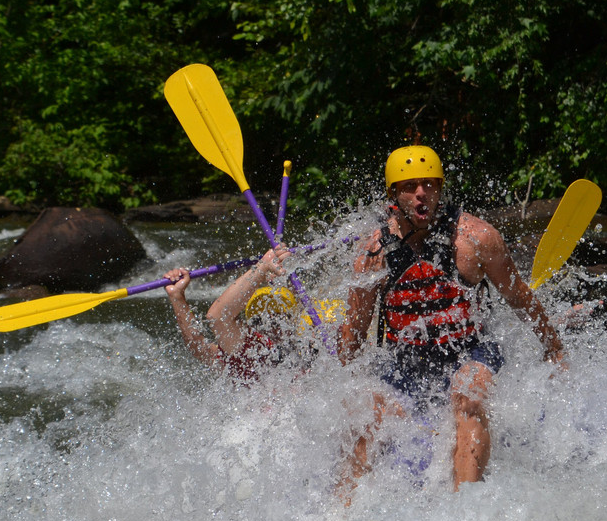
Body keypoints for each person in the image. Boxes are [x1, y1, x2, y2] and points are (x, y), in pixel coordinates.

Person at [338, 145, 567, 492]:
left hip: (470, 351)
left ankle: (466, 515)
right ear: (393, 195)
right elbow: (353, 335)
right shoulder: (373, 255)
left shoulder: (476, 239)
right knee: (370, 419)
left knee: (468, 397)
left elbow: (519, 297)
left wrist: (554, 348)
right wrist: (338, 389)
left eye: (430, 184)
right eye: (410, 186)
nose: (421, 194)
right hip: (406, 359)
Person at [163, 245, 304, 382]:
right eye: (259, 321)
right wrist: (177, 297)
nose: (271, 328)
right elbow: (200, 346)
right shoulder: (250, 352)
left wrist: (283, 268)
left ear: (292, 322)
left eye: (278, 320)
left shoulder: (309, 349)